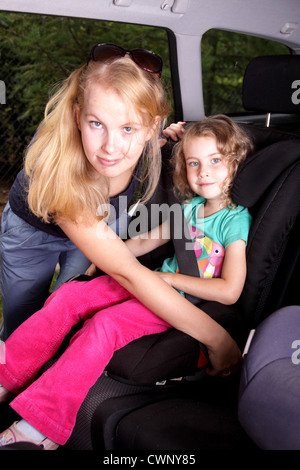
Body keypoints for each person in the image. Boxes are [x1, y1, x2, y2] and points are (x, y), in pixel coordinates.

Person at [0, 115, 252, 449]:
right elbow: (145, 241)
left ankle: (42, 425)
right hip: (151, 284)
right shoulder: (190, 209)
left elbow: (230, 291)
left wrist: (166, 278)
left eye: (216, 161)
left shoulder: (234, 221)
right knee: (70, 296)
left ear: (235, 164)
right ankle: (7, 376)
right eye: (194, 163)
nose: (204, 172)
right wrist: (100, 261)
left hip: (178, 301)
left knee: (105, 325)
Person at [0, 43, 171, 339]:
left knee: (65, 311)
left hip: (97, 226)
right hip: (31, 231)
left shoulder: (142, 144)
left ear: (150, 128)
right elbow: (127, 272)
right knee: (22, 322)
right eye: (96, 123)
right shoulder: (59, 166)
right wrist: (216, 336)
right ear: (79, 117)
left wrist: (172, 137)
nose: (110, 147)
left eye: (128, 129)